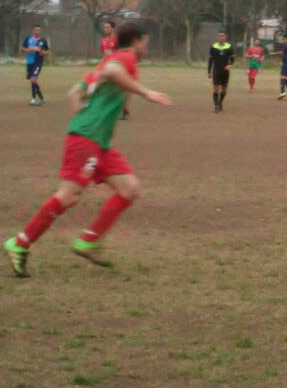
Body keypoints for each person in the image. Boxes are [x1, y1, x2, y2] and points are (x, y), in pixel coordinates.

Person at [4, 23, 172, 277]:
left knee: (129, 189)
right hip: (88, 139)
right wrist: (146, 93)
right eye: (145, 42)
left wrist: (86, 118)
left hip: (98, 142)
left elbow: (74, 93)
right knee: (69, 195)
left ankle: (88, 241)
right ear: (136, 42)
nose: (146, 48)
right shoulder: (124, 58)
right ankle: (19, 243)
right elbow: (115, 71)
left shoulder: (107, 62)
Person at [101, 21, 130, 119]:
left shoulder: (118, 41)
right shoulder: (103, 40)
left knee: (118, 89)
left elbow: (124, 53)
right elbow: (104, 54)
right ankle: (114, 110)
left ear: (113, 28)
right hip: (106, 68)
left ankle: (124, 108)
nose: (106, 29)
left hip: (117, 67)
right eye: (105, 27)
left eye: (108, 27)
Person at [22, 25, 50, 106]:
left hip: (38, 62)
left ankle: (33, 99)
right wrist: (28, 49)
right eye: (35, 30)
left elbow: (47, 50)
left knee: (33, 79)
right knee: (32, 81)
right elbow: (23, 48)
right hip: (29, 62)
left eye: (38, 30)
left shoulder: (43, 40)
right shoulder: (28, 38)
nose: (37, 31)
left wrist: (42, 52)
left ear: (40, 31)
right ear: (33, 31)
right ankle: (41, 99)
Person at [207, 31, 234, 113]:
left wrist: (230, 64)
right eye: (220, 36)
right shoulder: (213, 47)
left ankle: (220, 102)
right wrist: (209, 71)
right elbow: (211, 59)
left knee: (224, 90)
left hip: (225, 71)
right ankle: (216, 106)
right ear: (217, 37)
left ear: (226, 37)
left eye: (223, 36)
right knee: (215, 88)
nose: (221, 38)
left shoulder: (229, 47)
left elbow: (232, 58)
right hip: (216, 70)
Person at [271, 34, 287, 100]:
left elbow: (282, 52)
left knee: (282, 77)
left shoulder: (286, 44)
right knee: (284, 77)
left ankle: (282, 92)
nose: (282, 40)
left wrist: (273, 53)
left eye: (283, 39)